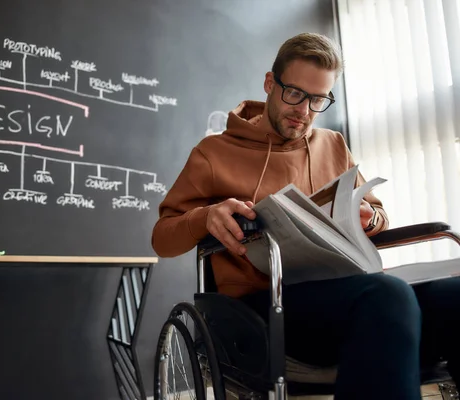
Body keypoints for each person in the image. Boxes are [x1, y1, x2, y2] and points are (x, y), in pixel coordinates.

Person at [151, 32, 460, 399]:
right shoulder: (214, 152)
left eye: (318, 100)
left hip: (343, 292)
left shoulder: (333, 144)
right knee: (386, 294)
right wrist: (205, 217)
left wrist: (369, 218)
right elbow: (162, 237)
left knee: (452, 293)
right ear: (270, 83)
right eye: (295, 94)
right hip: (264, 306)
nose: (304, 111)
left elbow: (378, 214)